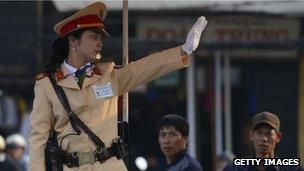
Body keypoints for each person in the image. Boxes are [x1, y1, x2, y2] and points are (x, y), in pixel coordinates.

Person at [29, 2, 208, 171]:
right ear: (73, 41)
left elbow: (146, 68)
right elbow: (38, 138)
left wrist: (183, 50)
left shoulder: (109, 75)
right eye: (93, 36)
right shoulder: (48, 84)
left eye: (101, 37)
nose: (99, 42)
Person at [224, 111, 303, 171]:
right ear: (251, 135)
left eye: (268, 133)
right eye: (259, 133)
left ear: (278, 137)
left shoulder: (293, 169)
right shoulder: (234, 169)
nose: (264, 138)